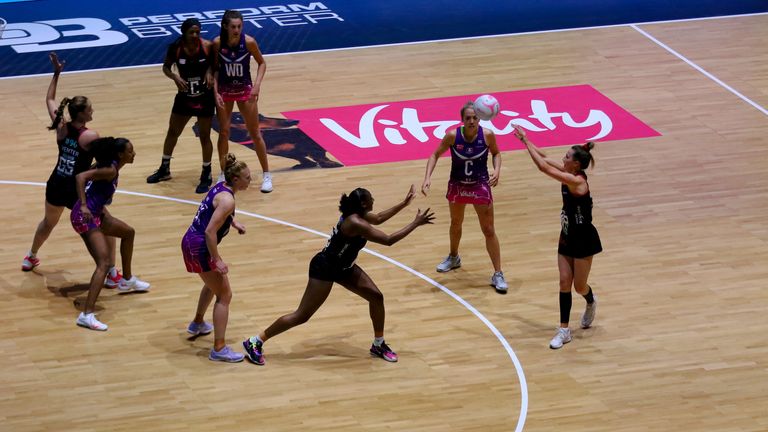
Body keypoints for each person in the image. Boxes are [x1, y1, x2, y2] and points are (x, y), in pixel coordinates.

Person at [242, 186, 434, 365]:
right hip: (325, 268)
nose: (374, 200)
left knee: (376, 297)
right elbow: (389, 240)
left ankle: (378, 344)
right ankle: (255, 341)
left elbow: (378, 218)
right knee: (302, 315)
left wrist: (404, 204)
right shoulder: (355, 222)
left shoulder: (358, 214)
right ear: (364, 204)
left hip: (344, 268)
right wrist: (415, 223)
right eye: (371, 199)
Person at [22, 52, 123, 289]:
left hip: (56, 182)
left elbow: (49, 100)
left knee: (48, 223)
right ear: (82, 114)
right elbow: (105, 159)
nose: (93, 111)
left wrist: (57, 73)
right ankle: (111, 271)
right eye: (90, 109)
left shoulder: (61, 126)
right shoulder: (89, 135)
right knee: (106, 225)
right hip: (77, 190)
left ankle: (30, 255)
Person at [513, 126, 602, 349]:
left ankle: (590, 300)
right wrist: (526, 139)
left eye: (567, 157)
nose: (563, 158)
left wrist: (525, 145)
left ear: (576, 165)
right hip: (567, 235)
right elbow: (545, 157)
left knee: (579, 286)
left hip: (584, 239)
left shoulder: (578, 182)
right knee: (564, 282)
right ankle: (564, 330)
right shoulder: (567, 171)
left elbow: (542, 166)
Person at [421, 101, 508, 293]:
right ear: (462, 120)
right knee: (455, 223)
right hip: (458, 185)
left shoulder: (487, 135)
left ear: (480, 118)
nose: (471, 121)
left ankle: (498, 273)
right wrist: (427, 177)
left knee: (488, 229)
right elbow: (434, 154)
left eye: (474, 117)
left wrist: (497, 170)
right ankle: (454, 257)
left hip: (480, 185)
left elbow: (497, 153)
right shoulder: (453, 136)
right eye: (467, 118)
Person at [71, 137, 151, 331]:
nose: (134, 154)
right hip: (84, 217)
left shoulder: (111, 167)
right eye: (130, 151)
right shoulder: (110, 170)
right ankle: (87, 315)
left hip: (97, 214)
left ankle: (127, 280)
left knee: (128, 233)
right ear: (120, 154)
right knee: (104, 263)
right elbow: (80, 177)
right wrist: (83, 205)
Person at [181, 153, 250, 362]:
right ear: (236, 180)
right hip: (200, 246)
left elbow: (214, 210)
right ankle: (219, 349)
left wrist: (233, 222)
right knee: (225, 295)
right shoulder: (228, 200)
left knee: (214, 286)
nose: (250, 180)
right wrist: (216, 259)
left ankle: (198, 323)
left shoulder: (221, 187)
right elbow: (210, 231)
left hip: (191, 241)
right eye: (247, 177)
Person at [147, 18, 216, 194]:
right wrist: (175, 77)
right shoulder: (175, 48)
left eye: (197, 32)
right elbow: (166, 67)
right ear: (184, 32)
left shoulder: (207, 46)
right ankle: (164, 168)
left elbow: (216, 65)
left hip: (204, 97)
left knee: (204, 136)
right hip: (184, 97)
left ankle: (206, 173)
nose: (195, 35)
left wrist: (209, 72)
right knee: (172, 132)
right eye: (191, 32)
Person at [212, 9, 272, 193]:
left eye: (239, 26)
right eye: (233, 27)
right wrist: (215, 92)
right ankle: (222, 174)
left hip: (245, 90)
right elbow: (214, 69)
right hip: (225, 90)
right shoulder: (217, 43)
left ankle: (267, 175)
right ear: (225, 26)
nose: (236, 30)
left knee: (255, 132)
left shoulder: (249, 42)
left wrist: (257, 86)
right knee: (224, 132)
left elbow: (262, 63)